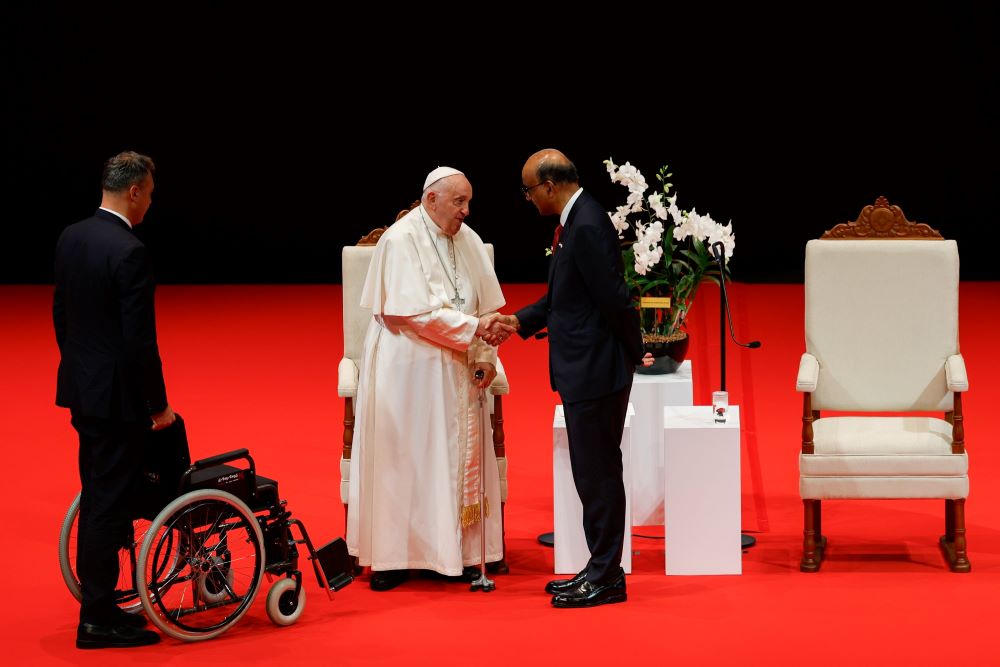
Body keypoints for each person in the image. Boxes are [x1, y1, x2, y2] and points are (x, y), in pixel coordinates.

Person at [346, 166, 515, 591]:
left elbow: (483, 308)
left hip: (456, 367)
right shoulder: (400, 241)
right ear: (430, 200)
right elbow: (413, 315)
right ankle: (394, 557)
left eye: (469, 202)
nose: (466, 211)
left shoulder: (469, 240)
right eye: (459, 202)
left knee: (450, 457)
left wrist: (485, 351)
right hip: (408, 370)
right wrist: (476, 330)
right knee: (404, 459)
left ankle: (457, 551)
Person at [499, 149, 650, 608]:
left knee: (600, 474)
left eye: (528, 190)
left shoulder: (585, 224)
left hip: (597, 371)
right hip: (586, 369)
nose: (527, 199)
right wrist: (516, 321)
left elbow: (615, 299)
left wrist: (633, 351)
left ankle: (607, 576)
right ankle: (599, 566)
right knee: (590, 473)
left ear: (549, 185)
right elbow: (564, 299)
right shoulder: (576, 220)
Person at [54, 151, 174, 648]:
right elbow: (138, 343)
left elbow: (63, 318)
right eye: (150, 193)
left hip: (83, 389)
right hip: (119, 400)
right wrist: (158, 406)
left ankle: (101, 605)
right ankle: (97, 618)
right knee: (107, 503)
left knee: (99, 493)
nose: (151, 202)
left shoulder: (72, 236)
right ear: (135, 192)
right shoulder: (129, 250)